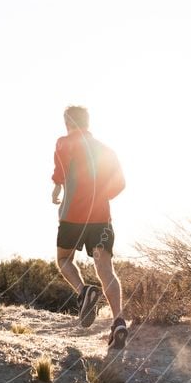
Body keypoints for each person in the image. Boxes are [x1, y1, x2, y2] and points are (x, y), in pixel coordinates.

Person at [51, 105, 128, 348]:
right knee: (105, 269)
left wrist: (56, 186)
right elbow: (120, 183)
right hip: (101, 219)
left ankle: (84, 291)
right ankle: (118, 322)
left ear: (67, 122)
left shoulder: (64, 143)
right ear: (88, 122)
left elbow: (60, 170)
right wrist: (101, 197)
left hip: (72, 218)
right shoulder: (106, 150)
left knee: (63, 260)